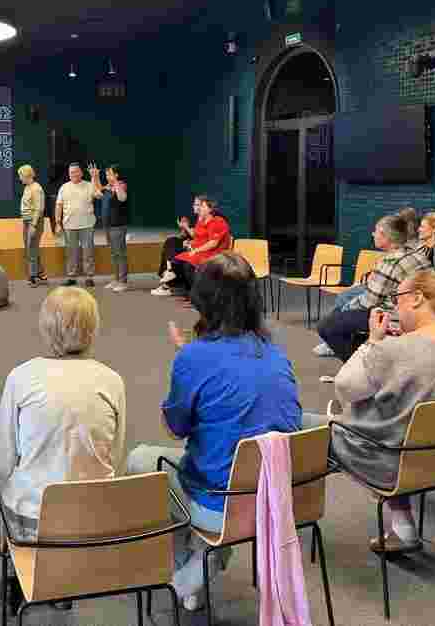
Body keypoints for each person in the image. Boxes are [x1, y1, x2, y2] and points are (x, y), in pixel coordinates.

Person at [127, 252, 301, 610]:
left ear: (203, 300)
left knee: (140, 460)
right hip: (277, 501)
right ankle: (205, 556)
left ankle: (194, 565)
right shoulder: (276, 353)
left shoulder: (194, 358)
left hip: (220, 501)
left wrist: (185, 361)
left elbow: (175, 428)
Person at [316, 270, 435, 552]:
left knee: (295, 429)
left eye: (397, 298)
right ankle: (403, 527)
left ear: (417, 298)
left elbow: (345, 387)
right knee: (400, 423)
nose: (395, 306)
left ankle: (275, 527)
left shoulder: (394, 350)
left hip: (387, 461)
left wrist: (373, 342)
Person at [0, 286, 125, 612]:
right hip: (94, 517)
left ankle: (23, 573)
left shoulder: (21, 377)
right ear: (93, 328)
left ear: (46, 327)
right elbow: (115, 456)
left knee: (12, 488)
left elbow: (3, 460)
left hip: (33, 519)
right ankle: (64, 579)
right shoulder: (112, 380)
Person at [316, 215, 430, 360]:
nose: (373, 234)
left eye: (376, 231)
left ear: (385, 236)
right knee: (343, 312)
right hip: (420, 314)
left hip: (394, 317)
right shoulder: (418, 255)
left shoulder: (390, 263)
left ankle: (359, 366)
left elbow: (368, 302)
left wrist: (345, 308)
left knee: (326, 326)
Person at [152, 196, 230, 297]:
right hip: (199, 249)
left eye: (200, 205)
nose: (197, 207)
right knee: (172, 243)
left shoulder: (218, 221)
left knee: (186, 261)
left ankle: (176, 284)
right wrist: (189, 240)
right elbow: (198, 236)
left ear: (210, 209)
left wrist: (195, 249)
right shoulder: (201, 220)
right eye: (196, 205)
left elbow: (213, 243)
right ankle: (170, 275)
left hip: (212, 253)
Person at [55, 163, 97, 288]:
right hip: (69, 225)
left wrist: (94, 177)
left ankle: (89, 277)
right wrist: (58, 223)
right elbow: (59, 205)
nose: (73, 174)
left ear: (81, 173)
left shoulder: (89, 185)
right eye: (71, 172)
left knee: (88, 251)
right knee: (70, 253)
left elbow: (98, 194)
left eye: (75, 171)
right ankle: (71, 276)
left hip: (87, 224)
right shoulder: (64, 187)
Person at [93, 164, 130, 292]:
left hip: (118, 226)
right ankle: (116, 279)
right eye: (106, 174)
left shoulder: (121, 185)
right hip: (108, 226)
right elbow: (98, 192)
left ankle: (123, 281)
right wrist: (95, 176)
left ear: (116, 175)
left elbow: (122, 197)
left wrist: (115, 182)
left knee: (120, 254)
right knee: (114, 253)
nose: (107, 176)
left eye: (109, 174)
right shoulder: (108, 187)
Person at [18, 165, 48, 286]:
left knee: (31, 249)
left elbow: (39, 209)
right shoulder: (27, 187)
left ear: (27, 175)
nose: (20, 178)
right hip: (27, 221)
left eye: (21, 176)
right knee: (30, 249)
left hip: (34, 222)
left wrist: (33, 225)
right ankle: (41, 273)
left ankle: (33, 276)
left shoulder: (36, 188)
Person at [158, 199, 199, 279]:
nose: (184, 223)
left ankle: (169, 271)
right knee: (170, 241)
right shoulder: (178, 238)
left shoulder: (197, 226)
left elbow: (196, 236)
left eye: (186, 221)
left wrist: (186, 228)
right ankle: (169, 271)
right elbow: (182, 237)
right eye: (182, 221)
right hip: (185, 247)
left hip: (194, 249)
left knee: (172, 243)